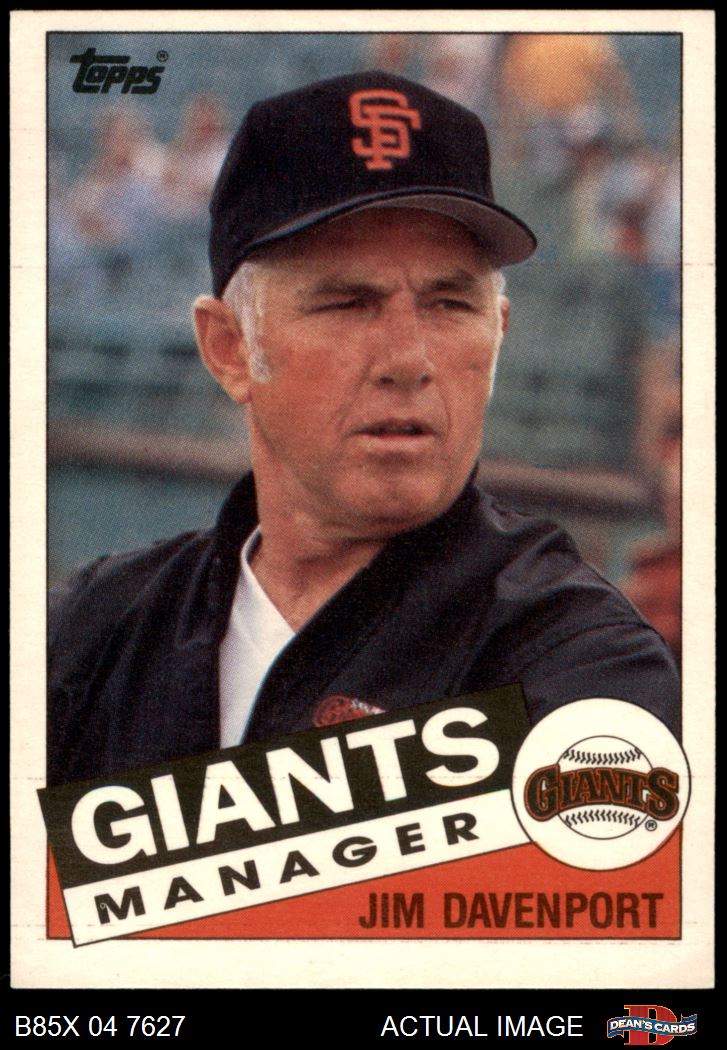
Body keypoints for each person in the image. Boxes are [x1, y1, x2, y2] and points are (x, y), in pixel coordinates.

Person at [47, 71, 679, 787]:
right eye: (347, 303)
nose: (408, 360)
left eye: (450, 304)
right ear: (230, 349)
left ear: (497, 334)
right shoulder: (96, 626)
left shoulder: (579, 660)